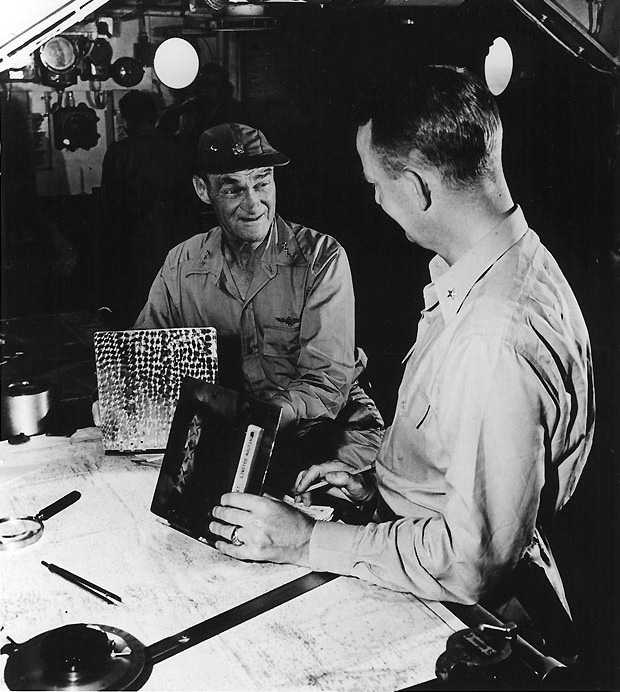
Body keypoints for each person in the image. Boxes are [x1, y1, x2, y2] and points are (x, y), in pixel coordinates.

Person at [208, 66, 595, 660]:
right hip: (427, 551)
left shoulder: (491, 338)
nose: (377, 200)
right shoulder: (502, 271)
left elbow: (472, 565)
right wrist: (379, 488)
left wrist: (310, 539)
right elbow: (462, 463)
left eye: (377, 185)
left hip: (472, 615)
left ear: (416, 187)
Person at [134, 122, 384, 492]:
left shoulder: (321, 258)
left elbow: (327, 383)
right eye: (232, 187)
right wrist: (119, 398)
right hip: (234, 437)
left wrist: (252, 423)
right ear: (203, 191)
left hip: (329, 434)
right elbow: (145, 357)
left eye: (262, 182)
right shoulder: (182, 264)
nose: (253, 203)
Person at [100, 90, 198, 327]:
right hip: (179, 246)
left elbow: (109, 209)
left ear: (124, 119)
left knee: (141, 317)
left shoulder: (119, 153)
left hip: (135, 250)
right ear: (154, 116)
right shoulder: (181, 148)